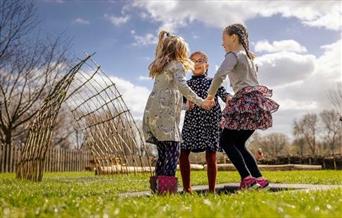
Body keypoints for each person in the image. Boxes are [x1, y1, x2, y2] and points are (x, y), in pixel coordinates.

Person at [204, 24, 279, 190]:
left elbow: (219, 75)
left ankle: (247, 178)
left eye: (223, 39)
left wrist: (210, 96)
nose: (222, 44)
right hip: (257, 104)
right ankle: (258, 179)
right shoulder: (249, 58)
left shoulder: (233, 55)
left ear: (233, 38)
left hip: (245, 102)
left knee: (225, 140)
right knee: (238, 143)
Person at [142, 31, 214, 194]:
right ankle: (166, 191)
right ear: (180, 51)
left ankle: (158, 189)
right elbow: (182, 88)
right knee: (174, 150)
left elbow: (168, 97)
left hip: (154, 114)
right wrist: (201, 102)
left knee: (163, 153)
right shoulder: (177, 65)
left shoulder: (161, 67)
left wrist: (186, 107)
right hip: (166, 119)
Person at [180, 51, 231, 193]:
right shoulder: (185, 84)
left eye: (200, 61)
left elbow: (222, 92)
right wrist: (185, 104)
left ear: (206, 65)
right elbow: (179, 102)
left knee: (211, 154)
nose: (197, 63)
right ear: (189, 65)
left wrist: (228, 98)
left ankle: (211, 190)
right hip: (192, 121)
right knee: (183, 152)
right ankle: (187, 188)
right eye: (193, 61)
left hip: (210, 121)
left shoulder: (212, 81)